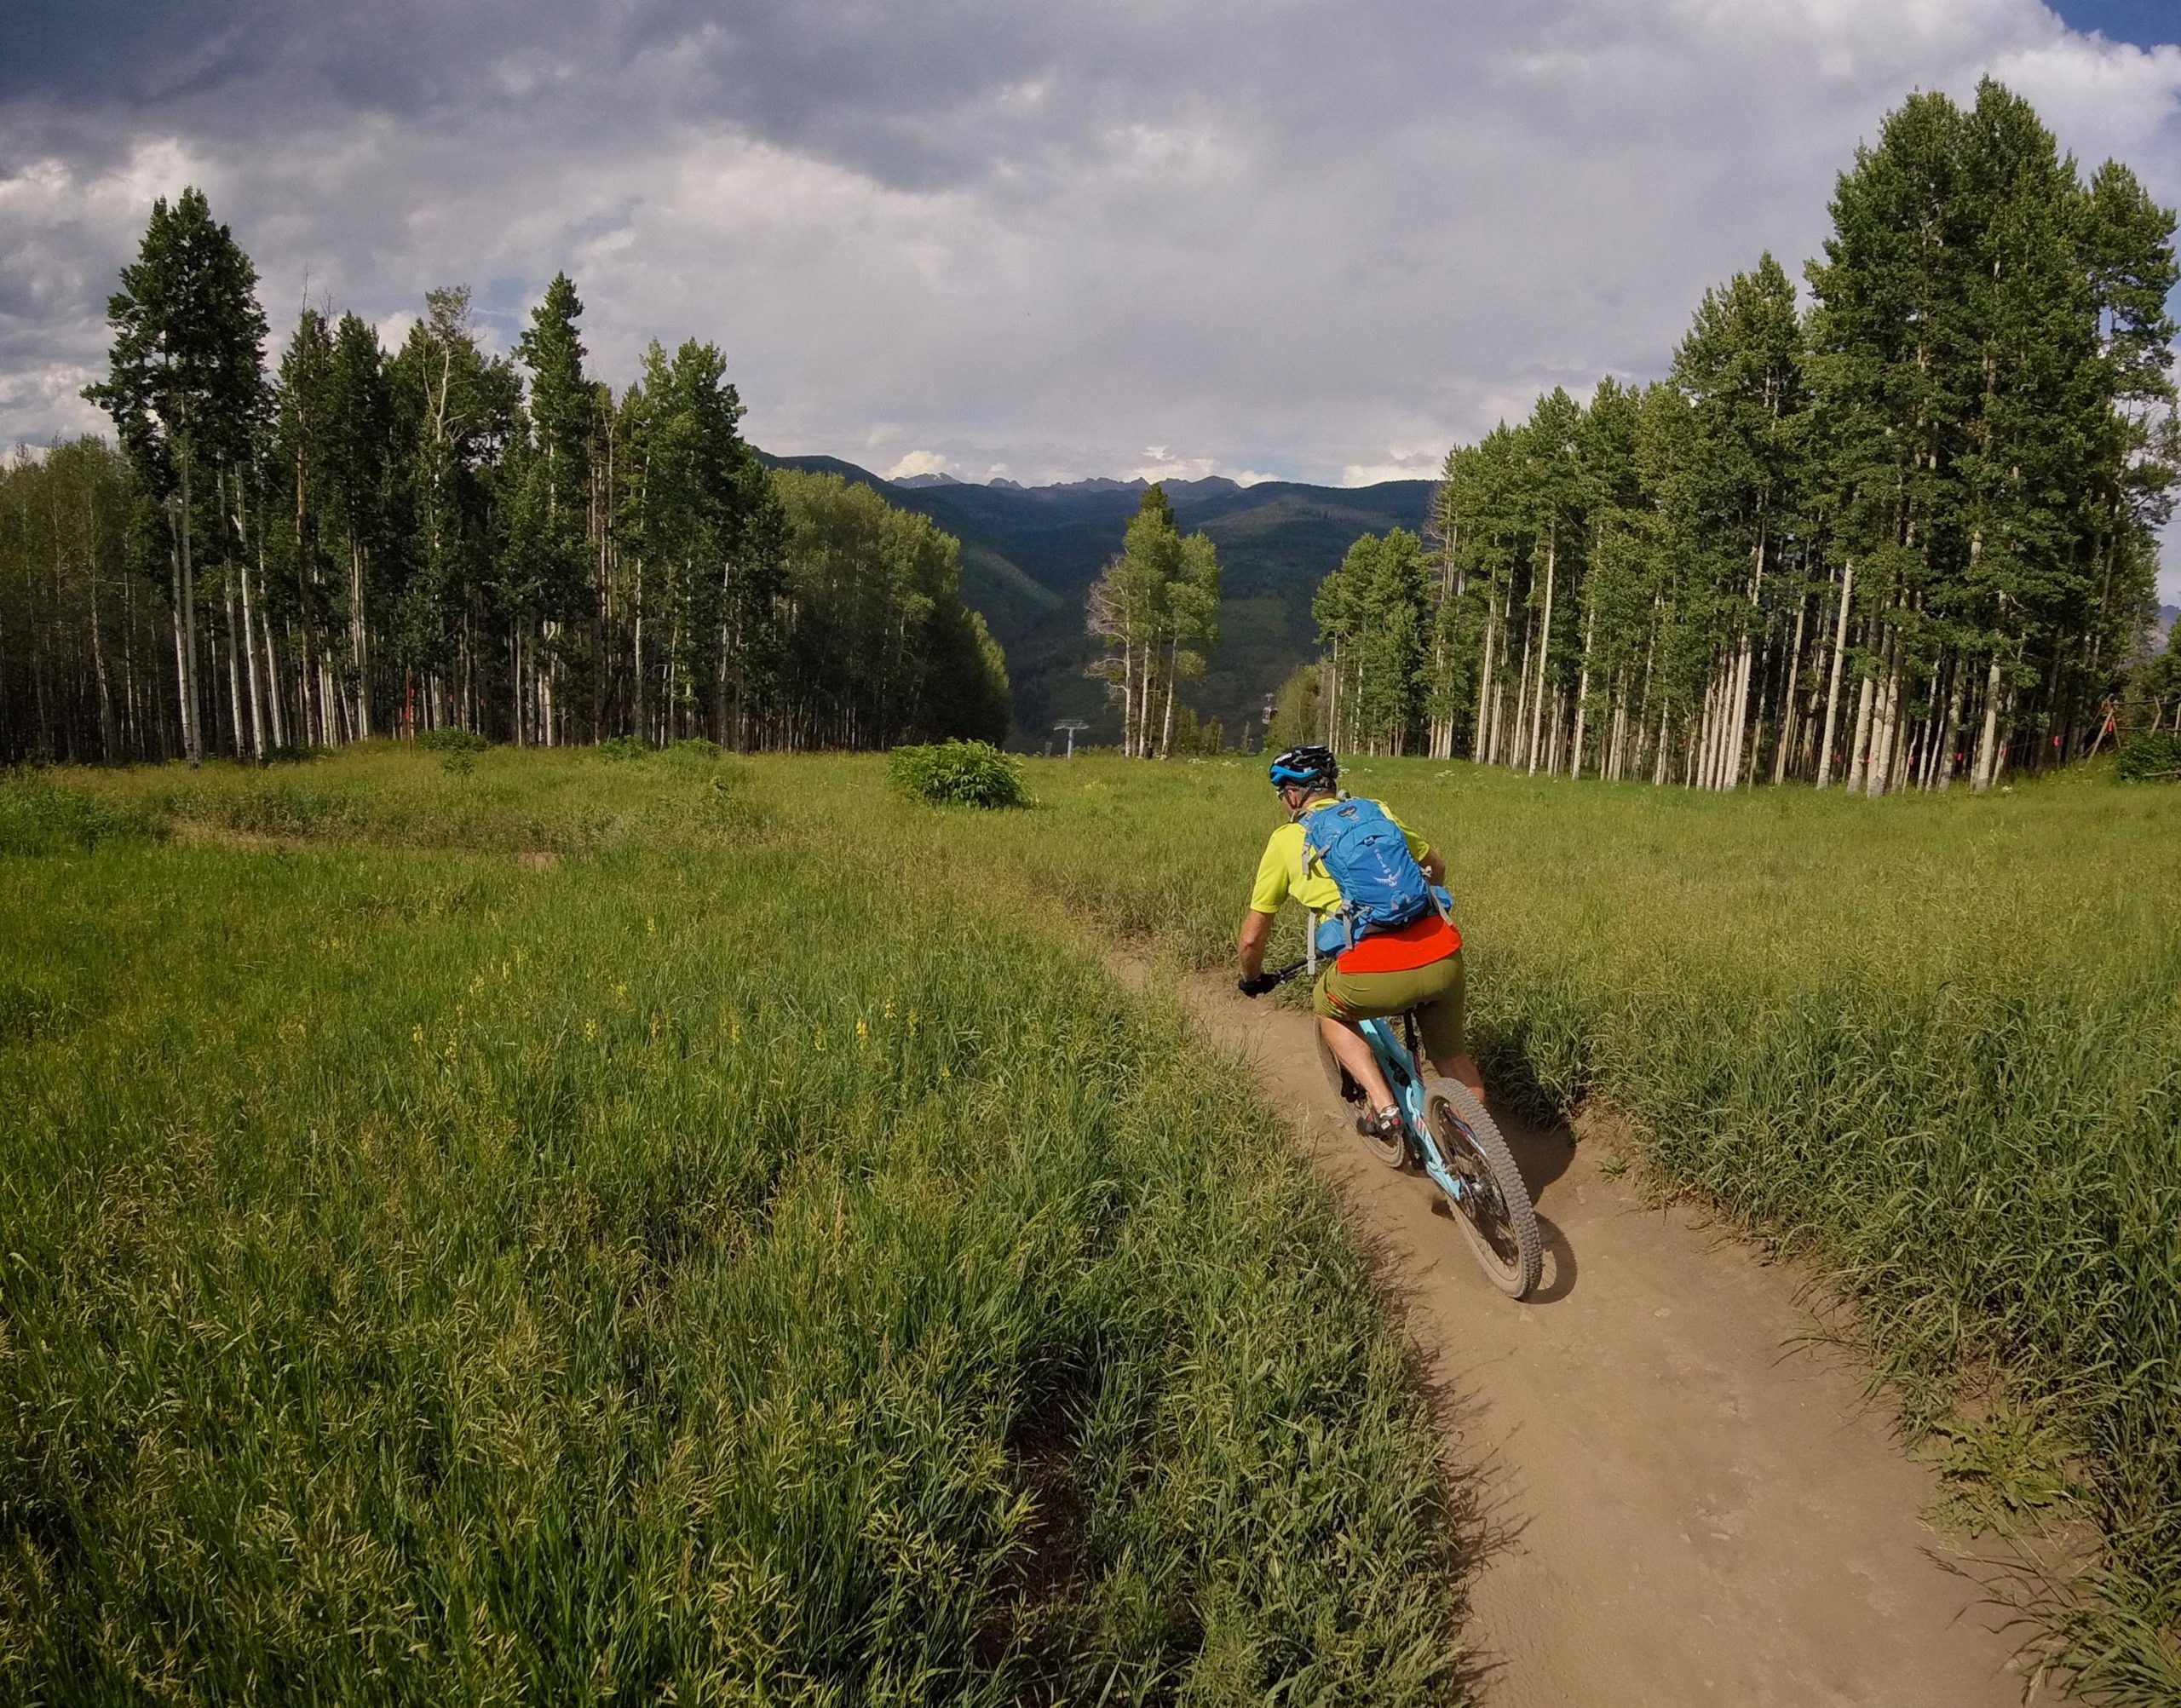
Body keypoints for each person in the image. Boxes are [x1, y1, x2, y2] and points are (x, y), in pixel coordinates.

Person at [1235, 745, 1483, 1143]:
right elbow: (1435, 867)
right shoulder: (1377, 811)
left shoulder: (1287, 840)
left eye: (1282, 794)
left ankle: (1385, 1106)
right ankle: (1478, 1151)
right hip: (1442, 954)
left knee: (1328, 1007)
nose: (1283, 802)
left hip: (1371, 970)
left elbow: (1252, 937)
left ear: (1295, 794)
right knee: (1454, 1058)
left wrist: (1252, 978)